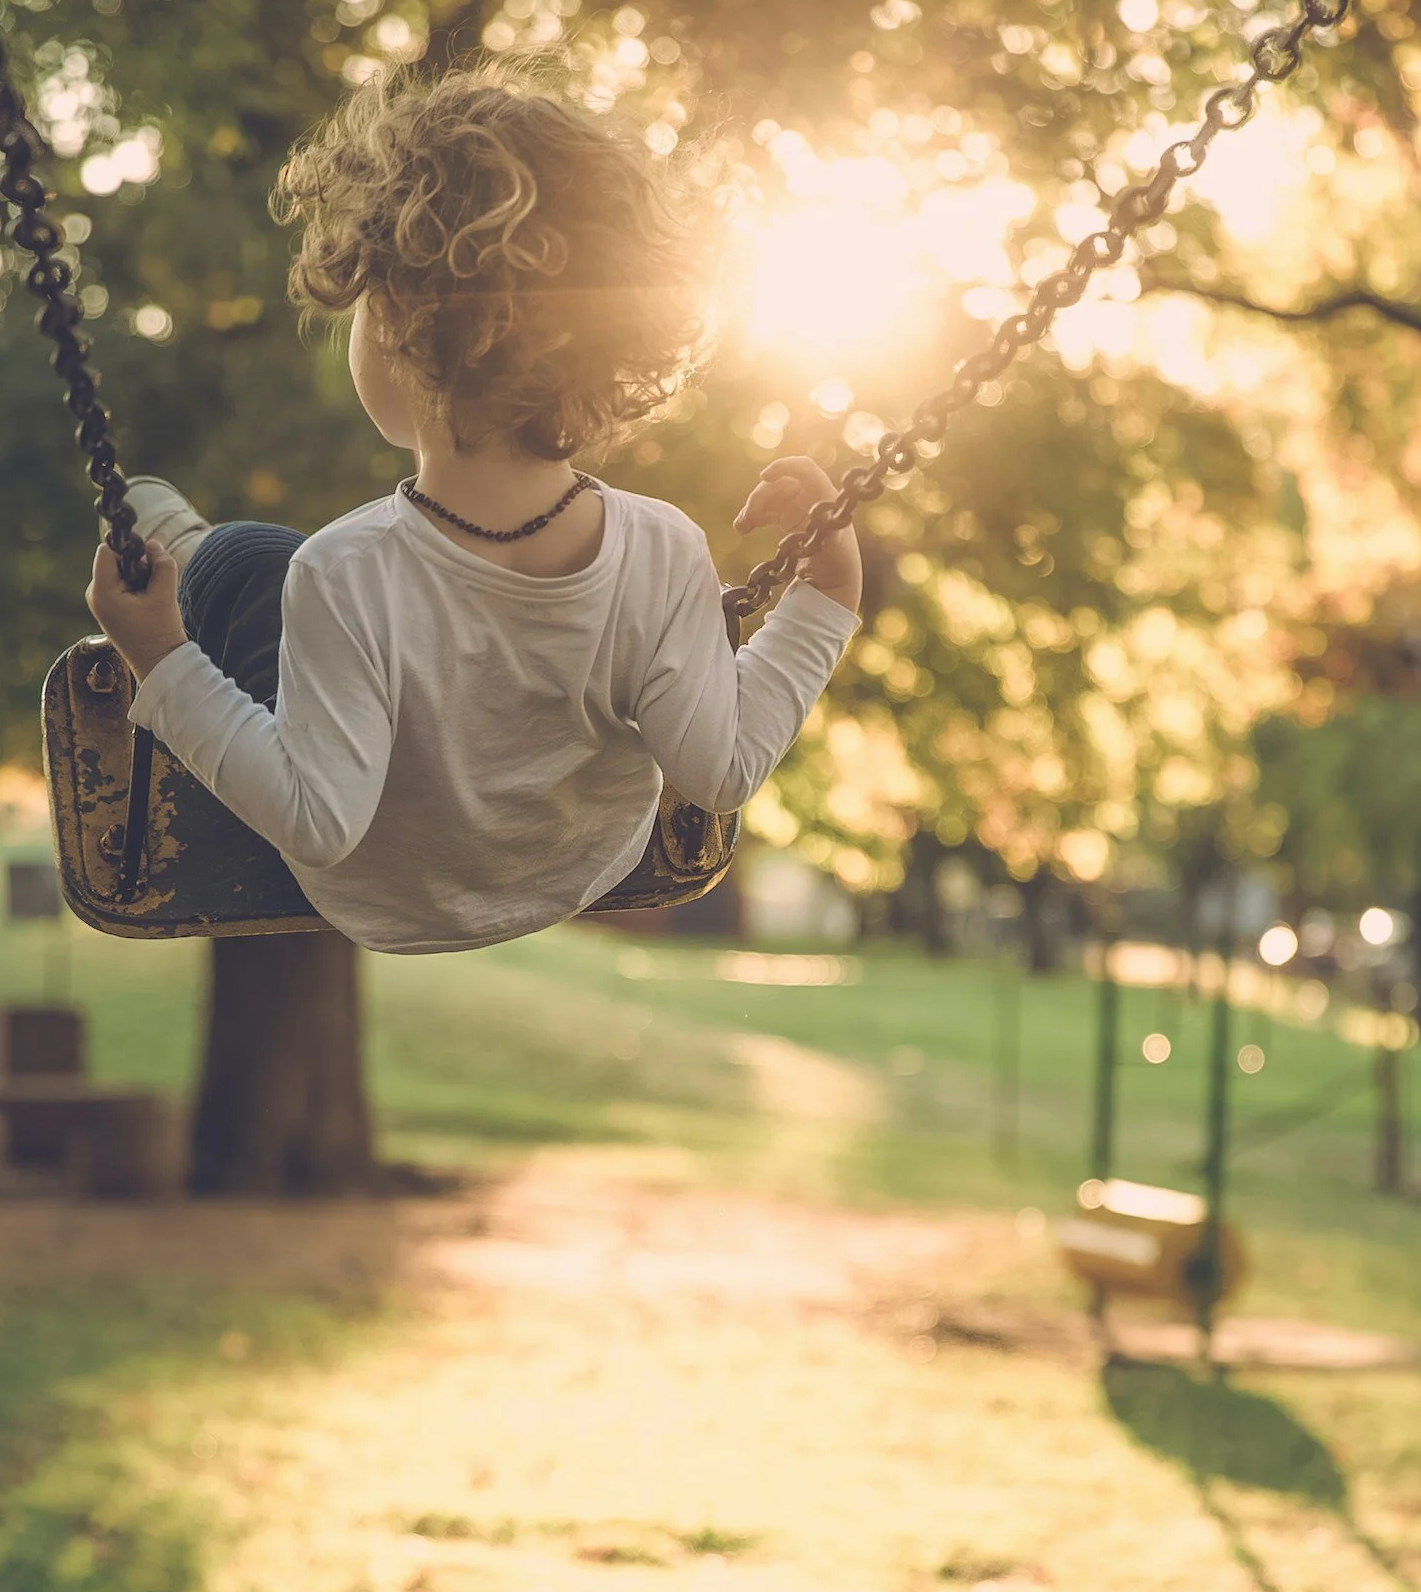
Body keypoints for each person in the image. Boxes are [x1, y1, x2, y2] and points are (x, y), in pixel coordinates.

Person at [85, 62, 861, 955]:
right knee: (280, 575)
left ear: (407, 323)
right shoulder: (663, 550)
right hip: (577, 870)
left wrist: (159, 658)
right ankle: (191, 549)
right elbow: (720, 771)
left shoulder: (341, 572)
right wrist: (824, 602)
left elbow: (317, 821)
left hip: (384, 894)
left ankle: (188, 551)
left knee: (247, 562)